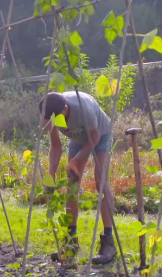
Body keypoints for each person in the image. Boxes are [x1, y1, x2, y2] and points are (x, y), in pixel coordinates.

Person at [39, 90, 117, 265]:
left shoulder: (83, 108)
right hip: (79, 138)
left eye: (57, 117)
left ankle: (108, 242)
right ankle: (71, 242)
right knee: (72, 184)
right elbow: (56, 145)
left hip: (101, 135)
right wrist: (51, 174)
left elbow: (95, 138)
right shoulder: (51, 113)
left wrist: (75, 161)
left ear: (66, 108)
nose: (54, 121)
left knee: (101, 183)